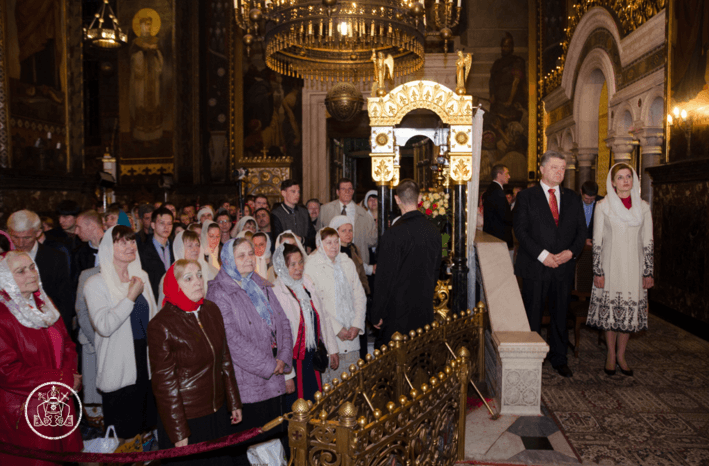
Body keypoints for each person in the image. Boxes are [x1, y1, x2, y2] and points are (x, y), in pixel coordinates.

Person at [205, 238, 293, 465]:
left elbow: (282, 321)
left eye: (250, 254)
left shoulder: (259, 283)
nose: (248, 259)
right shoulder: (219, 292)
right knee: (250, 441)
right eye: (241, 255)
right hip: (247, 380)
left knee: (273, 436)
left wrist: (283, 357)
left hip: (274, 373)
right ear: (226, 260)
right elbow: (231, 339)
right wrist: (268, 365)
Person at [148, 260, 243, 465]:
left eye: (200, 275)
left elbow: (225, 359)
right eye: (188, 278)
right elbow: (165, 385)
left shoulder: (211, 310)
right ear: (174, 284)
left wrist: (233, 401)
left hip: (217, 412)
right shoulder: (161, 325)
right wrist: (178, 430)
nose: (198, 282)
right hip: (187, 417)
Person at [0, 251, 83, 466]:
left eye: (32, 267)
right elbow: (8, 372)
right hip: (26, 410)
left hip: (58, 400)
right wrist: (63, 379)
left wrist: (69, 377)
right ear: (6, 279)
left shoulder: (44, 304)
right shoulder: (3, 316)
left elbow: (67, 344)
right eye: (21, 271)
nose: (31, 274)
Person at [513, 151, 587, 378]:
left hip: (563, 267)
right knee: (532, 315)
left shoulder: (573, 198)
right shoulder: (526, 197)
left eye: (563, 168)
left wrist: (571, 252)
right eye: (555, 167)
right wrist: (543, 255)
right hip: (536, 266)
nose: (560, 172)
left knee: (560, 314)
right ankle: (531, 360)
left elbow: (581, 231)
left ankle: (559, 358)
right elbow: (521, 232)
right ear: (542, 169)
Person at [84, 226, 158, 439]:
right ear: (109, 247)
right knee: (123, 435)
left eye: (132, 241)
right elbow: (104, 326)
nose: (130, 246)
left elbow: (152, 318)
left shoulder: (141, 275)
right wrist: (130, 297)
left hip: (144, 359)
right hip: (118, 364)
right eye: (122, 242)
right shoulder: (95, 284)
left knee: (146, 430)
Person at [587, 163, 654, 376]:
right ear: (613, 182)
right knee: (611, 313)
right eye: (620, 177)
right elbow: (597, 241)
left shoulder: (643, 207)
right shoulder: (603, 206)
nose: (625, 181)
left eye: (629, 177)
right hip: (610, 266)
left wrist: (648, 271)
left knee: (627, 315)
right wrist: (598, 271)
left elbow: (648, 241)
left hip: (634, 268)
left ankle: (622, 355)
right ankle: (610, 355)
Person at [371, 180, 442, 345]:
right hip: (424, 310)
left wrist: (376, 313)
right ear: (420, 198)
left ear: (397, 199)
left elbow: (384, 278)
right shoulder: (434, 231)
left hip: (397, 314)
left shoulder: (392, 234)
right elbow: (435, 271)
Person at [272, 243, 339, 406]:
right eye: (292, 264)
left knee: (316, 402)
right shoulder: (276, 291)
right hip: (293, 361)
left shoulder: (307, 284)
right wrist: (287, 375)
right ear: (282, 266)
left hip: (312, 356)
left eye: (300, 262)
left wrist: (332, 349)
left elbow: (323, 317)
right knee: (297, 408)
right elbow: (279, 336)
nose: (298, 268)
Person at [304, 228, 366, 385]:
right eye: (328, 243)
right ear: (319, 245)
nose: (334, 246)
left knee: (352, 387)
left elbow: (359, 295)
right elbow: (317, 305)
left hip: (352, 336)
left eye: (336, 241)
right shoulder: (311, 266)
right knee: (332, 389)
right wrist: (338, 329)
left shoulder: (347, 262)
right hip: (330, 338)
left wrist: (356, 325)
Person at [7, 210, 75, 336]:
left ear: (38, 233)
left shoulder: (55, 258)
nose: (20, 243)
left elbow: (64, 300)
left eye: (27, 237)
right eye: (15, 237)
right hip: (12, 331)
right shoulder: (4, 258)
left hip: (48, 329)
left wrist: (62, 334)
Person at [317, 178, 377, 271]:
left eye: (350, 189)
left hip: (356, 260)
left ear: (353, 191)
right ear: (337, 192)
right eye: (343, 189)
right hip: (331, 261)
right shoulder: (325, 210)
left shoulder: (363, 213)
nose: (347, 192)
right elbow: (319, 236)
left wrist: (378, 226)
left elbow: (371, 241)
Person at [157, 230, 217, 307]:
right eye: (190, 246)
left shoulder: (211, 270)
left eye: (197, 245)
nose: (195, 249)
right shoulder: (170, 277)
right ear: (179, 248)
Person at [140, 207, 175, 302]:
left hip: (174, 300)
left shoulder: (176, 247)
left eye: (169, 223)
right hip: (153, 300)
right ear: (153, 225)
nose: (166, 227)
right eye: (162, 223)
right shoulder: (142, 250)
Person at [329, 216, 370, 295]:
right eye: (343, 231)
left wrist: (365, 289)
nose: (348, 234)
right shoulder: (332, 251)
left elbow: (362, 274)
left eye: (350, 230)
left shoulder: (354, 249)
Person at [271, 179, 316, 250]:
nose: (297, 195)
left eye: (298, 192)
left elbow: (313, 237)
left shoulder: (304, 212)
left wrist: (301, 240)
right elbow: (278, 239)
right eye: (293, 191)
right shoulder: (276, 214)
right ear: (283, 193)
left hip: (304, 254)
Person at [483, 164, 514, 261]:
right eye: (507, 173)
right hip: (499, 237)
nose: (509, 176)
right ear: (499, 175)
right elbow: (505, 216)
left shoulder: (492, 189)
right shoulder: (497, 192)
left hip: (492, 236)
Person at [74, 210, 104, 277]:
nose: (76, 232)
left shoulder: (117, 248)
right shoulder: (79, 253)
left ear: (92, 226)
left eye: (78, 227)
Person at [581, 181, 604, 246]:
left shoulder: (602, 202)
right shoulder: (574, 201)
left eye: (592, 199)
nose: (589, 201)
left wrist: (590, 237)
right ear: (581, 192)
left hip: (595, 242)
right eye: (586, 198)